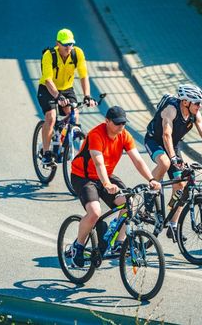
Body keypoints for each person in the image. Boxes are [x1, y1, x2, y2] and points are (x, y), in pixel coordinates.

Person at [69, 105, 161, 267]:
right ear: (107, 121)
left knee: (129, 202)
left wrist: (151, 179)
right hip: (83, 177)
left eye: (123, 123)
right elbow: (98, 163)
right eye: (117, 123)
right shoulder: (96, 135)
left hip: (106, 176)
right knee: (94, 213)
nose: (121, 126)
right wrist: (106, 184)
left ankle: (119, 243)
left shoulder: (124, 135)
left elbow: (138, 160)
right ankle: (78, 246)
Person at [144, 84, 202, 242]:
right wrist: (173, 158)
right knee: (164, 163)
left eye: (200, 102)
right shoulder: (171, 110)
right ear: (185, 102)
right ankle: (150, 192)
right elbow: (166, 135)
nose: (200, 106)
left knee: (181, 184)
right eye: (197, 102)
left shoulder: (194, 114)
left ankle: (173, 224)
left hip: (174, 144)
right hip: (155, 141)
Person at [38, 28, 96, 165]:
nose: (69, 47)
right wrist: (58, 96)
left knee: (74, 114)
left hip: (67, 89)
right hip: (48, 89)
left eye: (71, 44)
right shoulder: (49, 55)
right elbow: (48, 80)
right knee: (51, 117)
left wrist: (87, 96)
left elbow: (83, 75)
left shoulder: (77, 53)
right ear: (57, 43)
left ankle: (63, 142)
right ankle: (46, 153)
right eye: (65, 44)